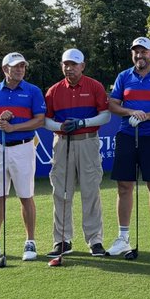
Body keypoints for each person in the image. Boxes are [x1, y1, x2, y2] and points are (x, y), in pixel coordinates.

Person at [106, 37, 150, 257]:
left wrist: (146, 116)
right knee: (124, 187)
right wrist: (130, 112)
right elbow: (112, 104)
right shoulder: (124, 77)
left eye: (144, 52)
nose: (140, 56)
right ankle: (123, 238)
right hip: (127, 135)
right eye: (136, 52)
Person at [0, 52, 46, 262]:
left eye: (22, 66)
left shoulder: (33, 91)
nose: (19, 70)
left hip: (23, 148)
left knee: (26, 196)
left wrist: (13, 127)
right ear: (5, 69)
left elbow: (39, 120)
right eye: (15, 67)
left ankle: (30, 241)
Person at [44, 49, 110, 257]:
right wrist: (59, 126)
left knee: (91, 191)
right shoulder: (53, 91)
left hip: (87, 142)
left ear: (83, 66)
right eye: (66, 64)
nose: (69, 68)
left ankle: (95, 240)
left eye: (74, 64)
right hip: (62, 142)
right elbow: (45, 120)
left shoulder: (95, 86)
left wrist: (82, 122)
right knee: (61, 191)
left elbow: (106, 116)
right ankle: (63, 240)